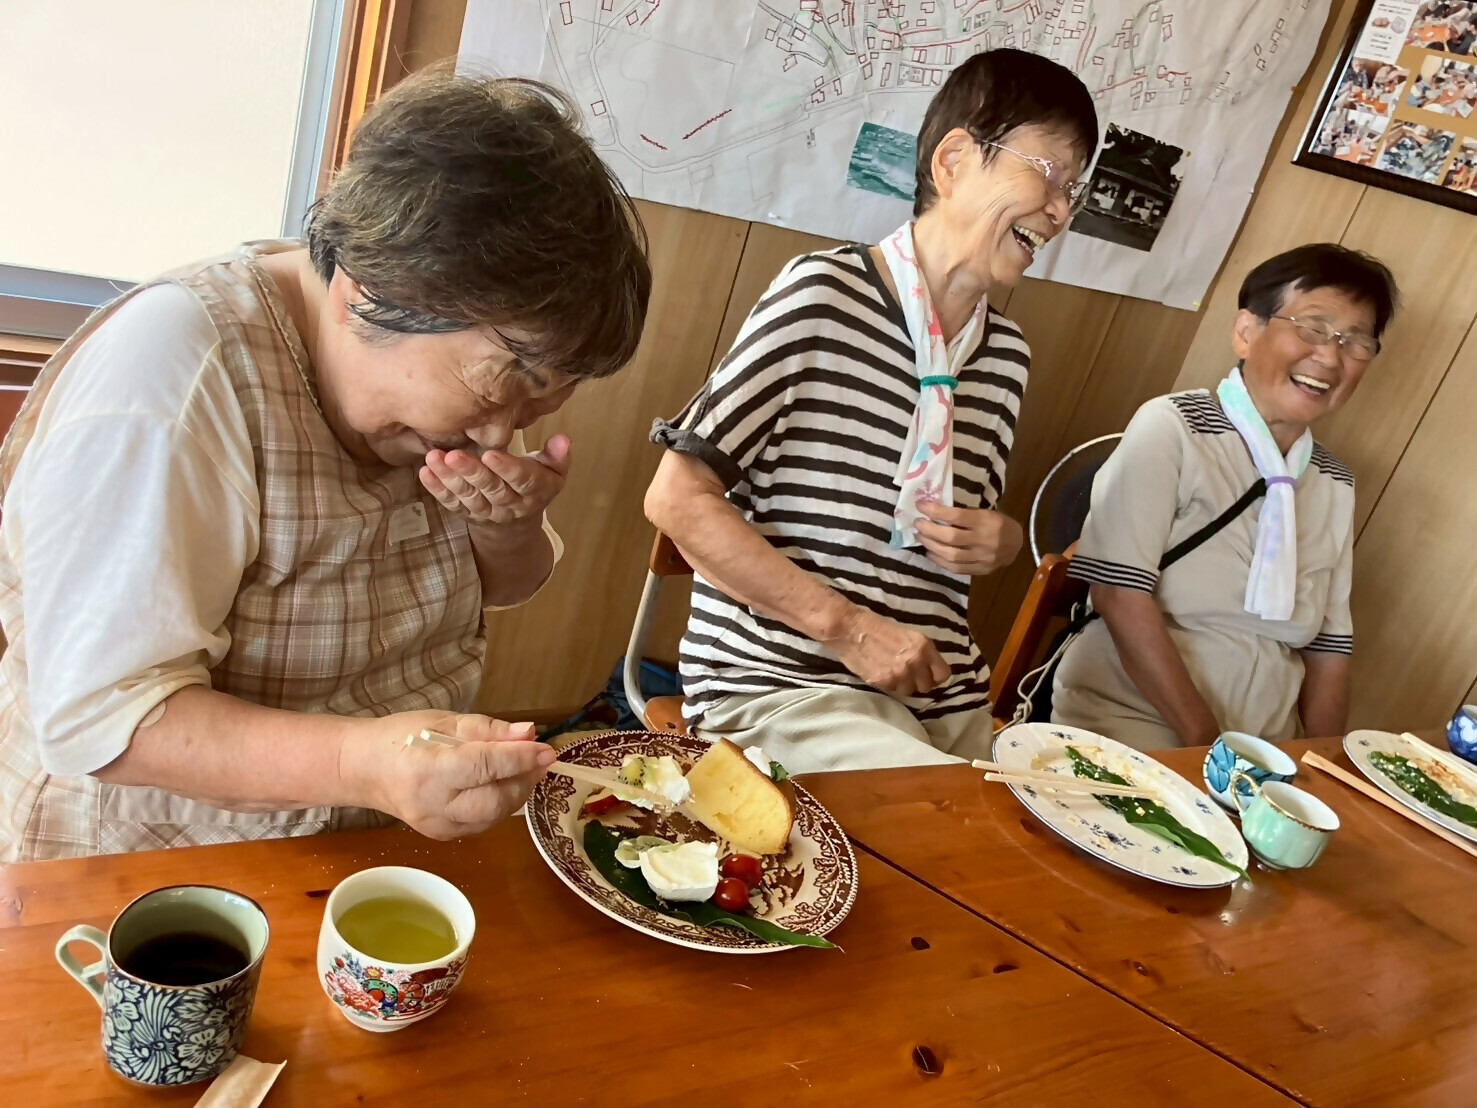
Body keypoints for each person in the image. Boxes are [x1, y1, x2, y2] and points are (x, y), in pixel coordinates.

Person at [0, 69, 652, 861]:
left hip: (356, 835)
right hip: (150, 866)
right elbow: (103, 719)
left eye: (541, 405)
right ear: (364, 288)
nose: (498, 436)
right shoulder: (179, 373)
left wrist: (506, 527)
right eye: (505, 385)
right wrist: (364, 764)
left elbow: (502, 585)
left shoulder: (465, 379)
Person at [643, 49, 1099, 773]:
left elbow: (943, 549)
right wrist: (850, 631)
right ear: (952, 161)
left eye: (1074, 188)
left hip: (936, 699)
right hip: (781, 683)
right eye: (1048, 173)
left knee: (1036, 836)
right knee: (951, 833)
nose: (1061, 209)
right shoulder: (820, 294)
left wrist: (1002, 542)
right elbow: (675, 499)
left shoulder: (1006, 356)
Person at [1050, 244, 1398, 750]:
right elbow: (1119, 595)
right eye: (1313, 327)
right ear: (1245, 332)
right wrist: (1204, 743)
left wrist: (1326, 766)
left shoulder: (1333, 481)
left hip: (1262, 746)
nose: (1329, 356)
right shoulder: (1173, 427)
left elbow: (1328, 646)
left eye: (1355, 340)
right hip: (1132, 727)